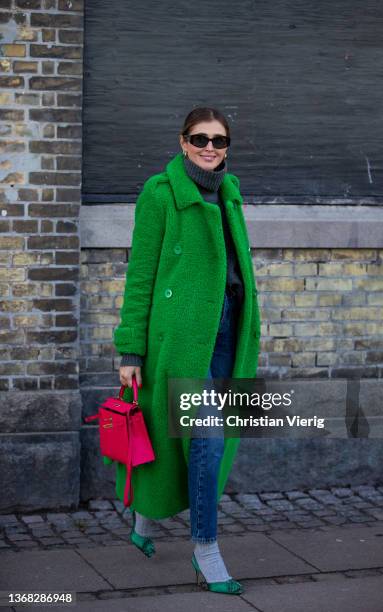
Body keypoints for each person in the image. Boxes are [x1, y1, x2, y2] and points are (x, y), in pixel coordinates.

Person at [113, 106, 261, 595]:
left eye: (219, 141)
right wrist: (130, 350)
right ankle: (206, 548)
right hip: (178, 340)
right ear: (182, 141)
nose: (210, 148)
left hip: (227, 335)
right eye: (200, 138)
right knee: (207, 439)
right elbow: (139, 276)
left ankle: (145, 521)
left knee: (187, 436)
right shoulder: (160, 194)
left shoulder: (231, 191)